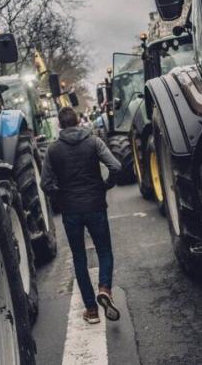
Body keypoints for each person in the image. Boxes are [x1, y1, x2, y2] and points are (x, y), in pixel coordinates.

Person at [41, 107, 122, 324]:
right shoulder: (94, 142)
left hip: (71, 211)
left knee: (79, 258)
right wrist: (104, 186)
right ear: (78, 121)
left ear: (59, 124)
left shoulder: (52, 150)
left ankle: (92, 310)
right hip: (96, 205)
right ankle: (104, 288)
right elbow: (115, 166)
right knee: (104, 251)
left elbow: (45, 183)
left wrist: (62, 198)